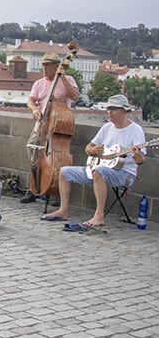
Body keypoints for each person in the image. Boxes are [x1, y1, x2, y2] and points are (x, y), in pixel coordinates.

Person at [41, 94, 146, 228]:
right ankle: (63, 210)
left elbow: (141, 160)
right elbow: (88, 147)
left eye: (113, 109)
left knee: (98, 172)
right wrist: (93, 150)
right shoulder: (107, 127)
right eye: (108, 108)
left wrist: (137, 156)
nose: (109, 112)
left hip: (124, 173)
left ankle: (99, 216)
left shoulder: (136, 130)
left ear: (124, 111)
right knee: (64, 172)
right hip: (100, 167)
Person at [21, 52, 80, 203]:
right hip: (41, 123)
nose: (44, 68)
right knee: (34, 152)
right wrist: (34, 109)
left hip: (58, 125)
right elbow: (31, 100)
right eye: (43, 65)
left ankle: (55, 191)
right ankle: (33, 188)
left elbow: (75, 96)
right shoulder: (39, 83)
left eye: (47, 65)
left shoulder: (68, 79)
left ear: (56, 66)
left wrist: (64, 78)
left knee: (57, 158)